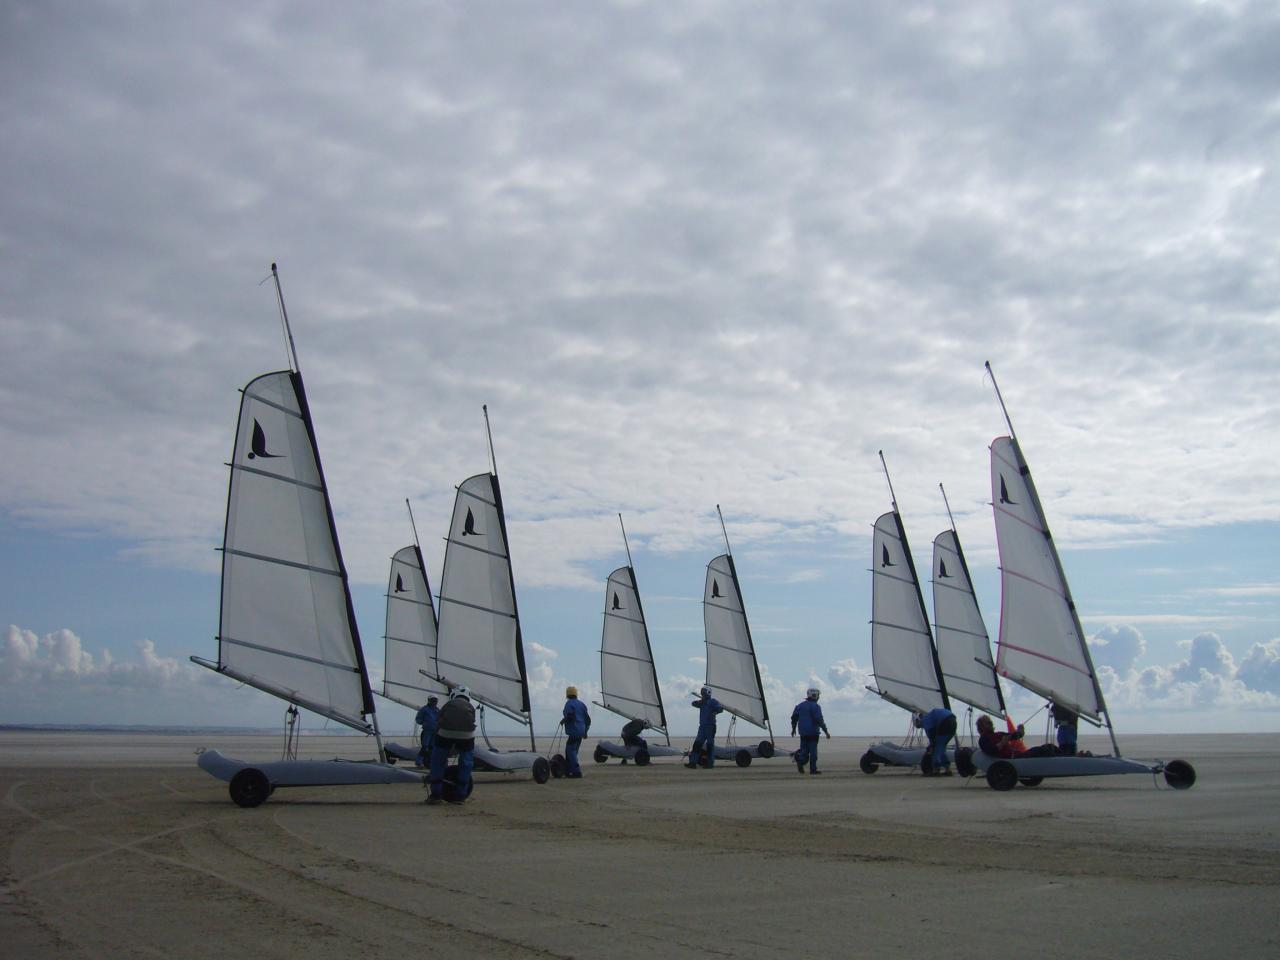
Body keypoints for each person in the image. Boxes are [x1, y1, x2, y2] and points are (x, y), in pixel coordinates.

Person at [427, 687, 476, 805]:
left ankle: (436, 795)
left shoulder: (449, 703)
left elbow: (438, 720)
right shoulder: (471, 707)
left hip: (445, 733)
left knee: (438, 761)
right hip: (467, 735)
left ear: (453, 695)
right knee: (466, 762)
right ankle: (460, 797)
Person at [976, 715, 1060, 760]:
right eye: (988, 723)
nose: (991, 724)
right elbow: (991, 750)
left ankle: (1064, 756)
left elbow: (1016, 735)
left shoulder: (998, 734)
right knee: (1043, 750)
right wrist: (1002, 743)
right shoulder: (983, 739)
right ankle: (1062, 759)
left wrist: (1020, 730)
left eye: (990, 722)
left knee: (1048, 747)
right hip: (1013, 758)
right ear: (982, 726)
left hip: (1017, 755)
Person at [790, 688, 831, 774]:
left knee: (804, 751)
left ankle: (800, 762)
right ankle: (813, 769)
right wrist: (826, 731)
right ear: (815, 696)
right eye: (818, 695)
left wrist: (793, 729)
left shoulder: (800, 706)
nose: (818, 697)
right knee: (813, 753)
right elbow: (819, 719)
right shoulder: (816, 706)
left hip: (803, 732)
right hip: (813, 733)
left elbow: (794, 718)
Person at [686, 687, 723, 768]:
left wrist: (715, 711)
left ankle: (710, 763)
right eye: (702, 694)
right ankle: (693, 763)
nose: (702, 695)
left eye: (703, 693)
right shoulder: (702, 702)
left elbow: (720, 708)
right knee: (697, 745)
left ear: (707, 693)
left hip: (710, 726)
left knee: (710, 746)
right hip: (702, 727)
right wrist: (700, 702)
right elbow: (693, 703)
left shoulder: (712, 701)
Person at [917, 706, 957, 775]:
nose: (921, 727)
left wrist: (931, 747)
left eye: (919, 726)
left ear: (918, 720)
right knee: (942, 746)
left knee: (936, 747)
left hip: (945, 721)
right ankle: (947, 769)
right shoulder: (930, 716)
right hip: (953, 720)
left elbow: (931, 735)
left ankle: (936, 769)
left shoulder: (925, 720)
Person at [562, 686, 591, 778]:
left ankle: (576, 771)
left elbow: (569, 716)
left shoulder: (569, 704)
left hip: (574, 731)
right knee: (574, 751)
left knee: (570, 750)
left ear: (567, 694)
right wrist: (585, 732)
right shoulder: (582, 704)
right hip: (581, 731)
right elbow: (588, 720)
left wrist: (563, 720)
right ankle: (569, 770)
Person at [414, 695, 439, 767]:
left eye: (436, 700)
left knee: (432, 747)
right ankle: (419, 762)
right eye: (433, 700)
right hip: (427, 731)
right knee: (425, 747)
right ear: (429, 700)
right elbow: (418, 719)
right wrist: (424, 723)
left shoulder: (437, 710)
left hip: (435, 731)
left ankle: (430, 762)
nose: (435, 701)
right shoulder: (424, 709)